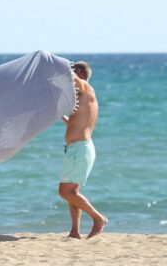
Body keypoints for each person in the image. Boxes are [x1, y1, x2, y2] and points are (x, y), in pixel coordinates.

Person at [59, 61, 108, 239]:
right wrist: (61, 116)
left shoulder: (87, 89)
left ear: (79, 72)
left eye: (73, 72)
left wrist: (61, 66)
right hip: (76, 149)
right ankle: (75, 231)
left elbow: (71, 76)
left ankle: (98, 219)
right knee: (72, 194)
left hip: (80, 149)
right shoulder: (81, 99)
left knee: (65, 192)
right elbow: (75, 124)